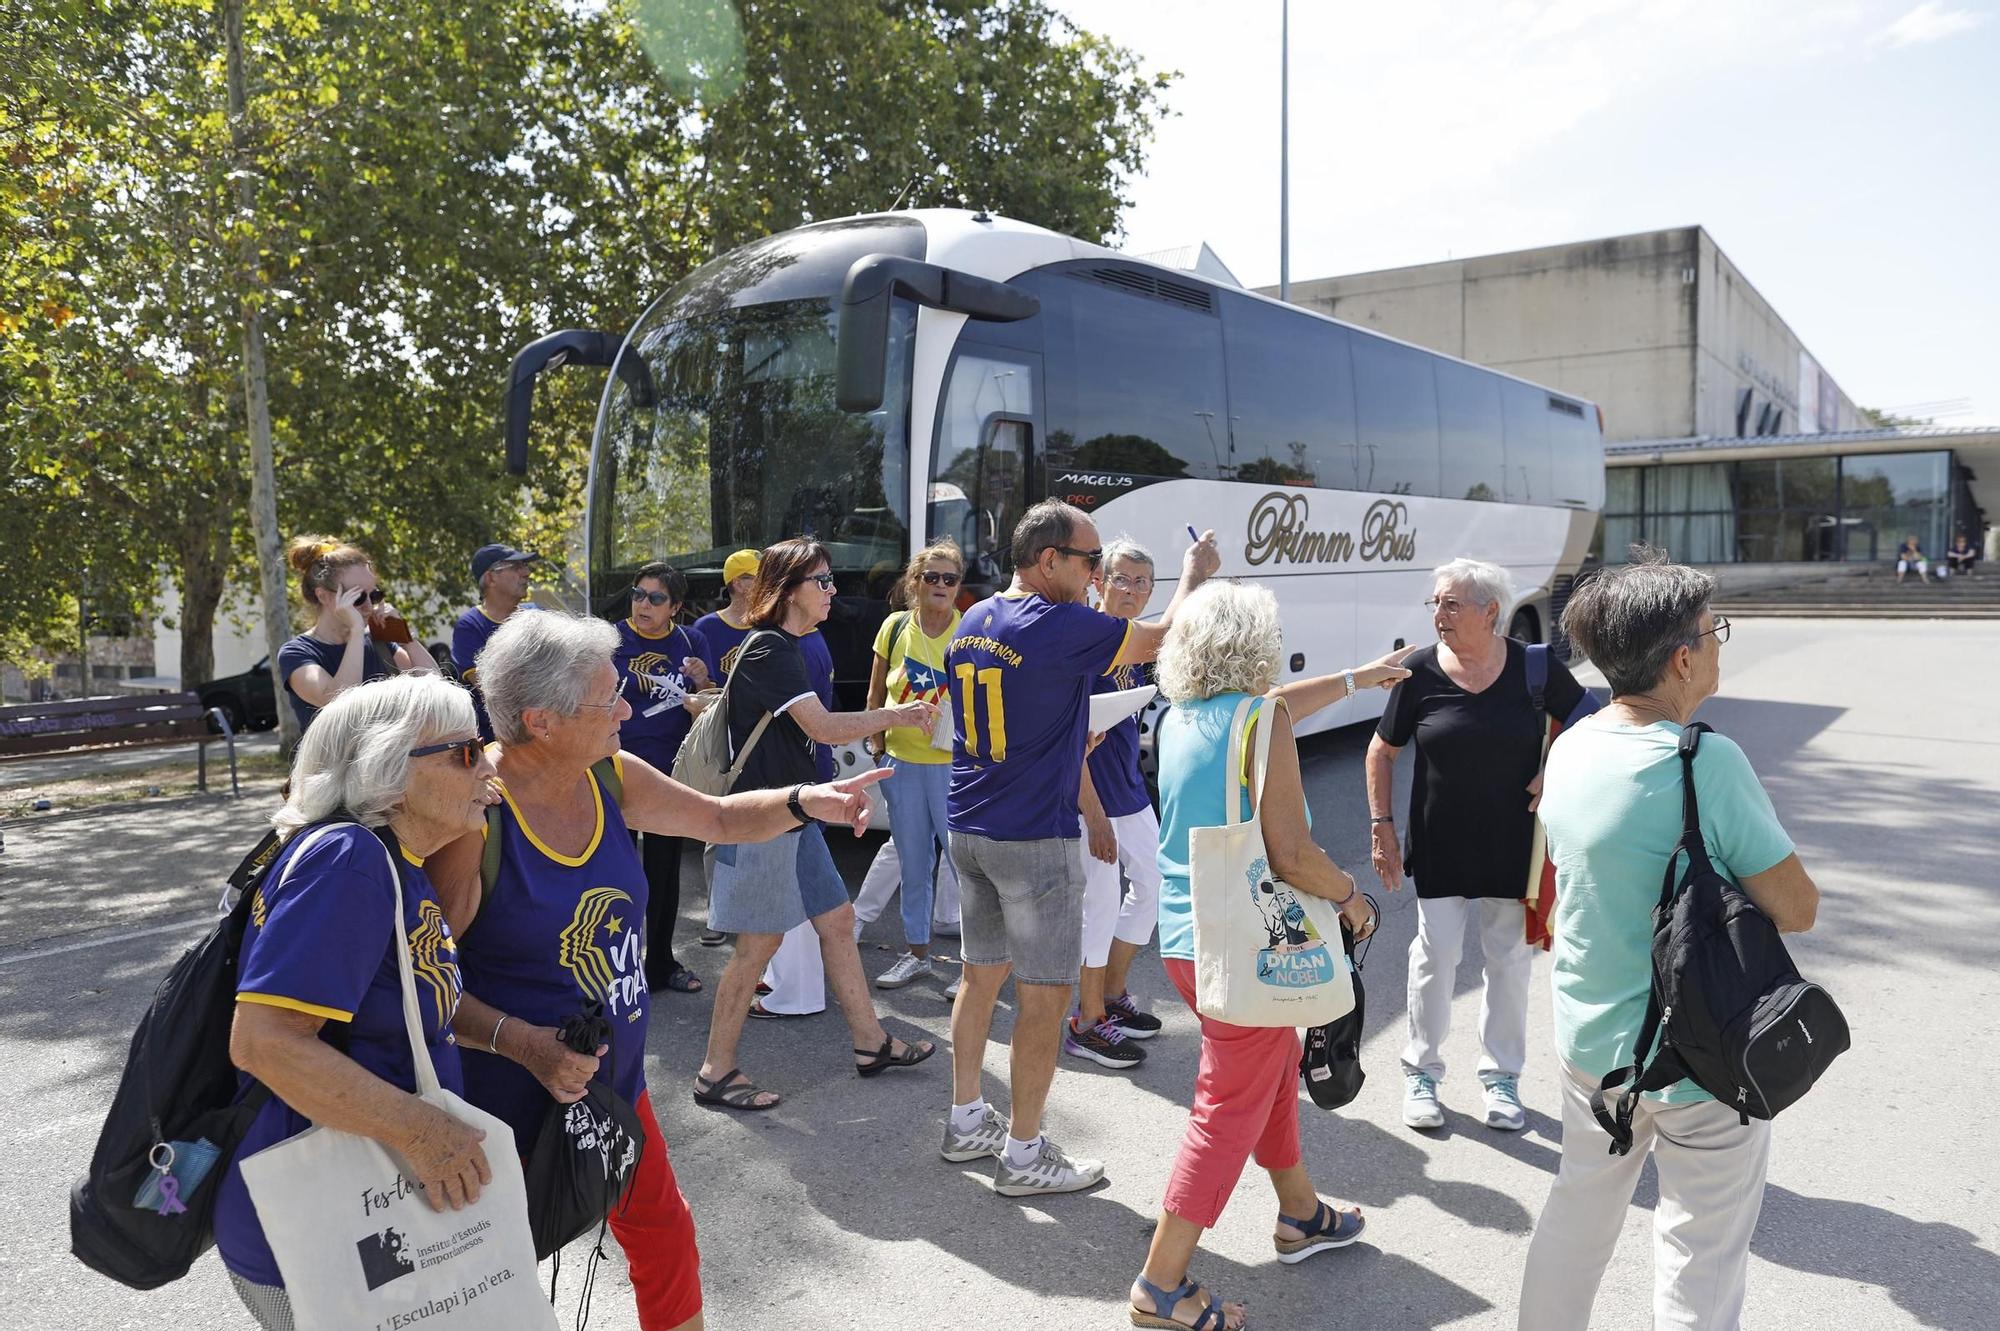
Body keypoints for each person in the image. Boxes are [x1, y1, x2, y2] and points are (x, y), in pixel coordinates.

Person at [428, 610, 886, 1331]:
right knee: (491, 1281)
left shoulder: (607, 774)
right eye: (608, 698)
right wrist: (523, 1043)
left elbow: (720, 818)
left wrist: (805, 801)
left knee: (666, 1243)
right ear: (541, 720)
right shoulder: (474, 817)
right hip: (504, 1102)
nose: (629, 707)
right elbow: (424, 986)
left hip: (614, 1085)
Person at [1519, 552, 1819, 1331]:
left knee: (1576, 1218)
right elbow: (1795, 907)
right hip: (1700, 1056)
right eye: (1714, 631)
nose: (1720, 644)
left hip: (1591, 1043)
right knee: (1700, 1252)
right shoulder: (1705, 762)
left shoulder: (1573, 746)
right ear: (1682, 657)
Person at [1130, 580, 1409, 1331]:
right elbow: (1290, 852)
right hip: (1249, 942)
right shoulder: (1262, 718)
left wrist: (1357, 678)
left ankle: (1301, 1214)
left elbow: (1281, 705)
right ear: (1254, 643)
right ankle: (1160, 1286)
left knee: (1267, 1071)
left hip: (1192, 939)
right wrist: (1351, 896)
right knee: (1226, 1107)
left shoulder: (1186, 716)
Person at [942, 500, 1219, 1198]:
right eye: (1089, 562)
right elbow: (1159, 638)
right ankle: (1025, 1153)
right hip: (1033, 838)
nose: (1097, 575)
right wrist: (1192, 574)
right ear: (1048, 562)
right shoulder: (1057, 621)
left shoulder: (973, 618)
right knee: (1042, 1000)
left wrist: (1068, 734)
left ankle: (966, 1118)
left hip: (970, 825)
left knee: (980, 980)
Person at [215, 674, 495, 1328]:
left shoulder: (395, 858)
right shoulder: (349, 860)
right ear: (389, 766)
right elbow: (263, 1042)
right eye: (465, 752)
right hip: (319, 1228)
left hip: (369, 1211)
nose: (488, 764)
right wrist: (426, 1134)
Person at [694, 537, 939, 1111]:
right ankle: (714, 1072)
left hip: (792, 814)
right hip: (762, 818)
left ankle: (871, 1044)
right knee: (757, 948)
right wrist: (898, 715)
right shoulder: (769, 650)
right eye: (822, 582)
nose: (833, 592)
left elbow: (809, 740)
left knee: (837, 920)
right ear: (789, 590)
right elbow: (824, 728)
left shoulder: (792, 646)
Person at [1365, 558, 1588, 1134]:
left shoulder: (1535, 668)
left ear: (1491, 612)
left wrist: (1557, 771)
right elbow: (1380, 751)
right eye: (1436, 603)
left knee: (1509, 963)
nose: (1439, 614)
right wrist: (1381, 825)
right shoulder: (1418, 670)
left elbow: (1594, 722)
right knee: (1435, 957)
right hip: (1441, 845)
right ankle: (1421, 1072)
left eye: (1452, 604)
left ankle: (1501, 1079)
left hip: (1514, 845)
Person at [1067, 537, 1168, 1071]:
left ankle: (1111, 995)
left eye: (1142, 582)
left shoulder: (1133, 646)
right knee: (1099, 903)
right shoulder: (1089, 644)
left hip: (1129, 793)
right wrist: (1093, 813)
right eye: (1121, 579)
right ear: (1100, 582)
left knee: (1155, 884)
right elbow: (1073, 739)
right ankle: (1085, 1023)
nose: (1131, 590)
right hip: (1092, 804)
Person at [861, 538, 966, 992]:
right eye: (932, 577)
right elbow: (875, 693)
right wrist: (877, 744)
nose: (941, 585)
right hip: (900, 763)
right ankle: (917, 954)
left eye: (951, 578)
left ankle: (977, 967)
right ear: (915, 581)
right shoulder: (894, 626)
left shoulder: (969, 630)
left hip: (952, 768)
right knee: (912, 862)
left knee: (965, 866)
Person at [614, 561, 713, 994]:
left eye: (656, 598)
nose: (643, 605)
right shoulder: (609, 639)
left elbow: (712, 701)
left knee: (663, 875)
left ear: (675, 606)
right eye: (638, 594)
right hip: (612, 770)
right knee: (612, 874)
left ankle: (659, 964)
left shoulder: (692, 640)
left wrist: (701, 680)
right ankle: (613, 966)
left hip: (668, 772)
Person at [278, 535, 438, 735]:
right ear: (324, 596)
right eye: (358, 597)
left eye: (375, 595)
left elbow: (435, 686)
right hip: (335, 765)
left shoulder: (378, 639)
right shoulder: (297, 652)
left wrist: (405, 637)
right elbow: (339, 701)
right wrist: (356, 630)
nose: (370, 606)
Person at [452, 543, 541, 739]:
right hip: (498, 743)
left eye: (525, 566)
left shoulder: (537, 616)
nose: (526, 572)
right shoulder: (470, 626)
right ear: (491, 577)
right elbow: (491, 690)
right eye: (516, 567)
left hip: (542, 733)